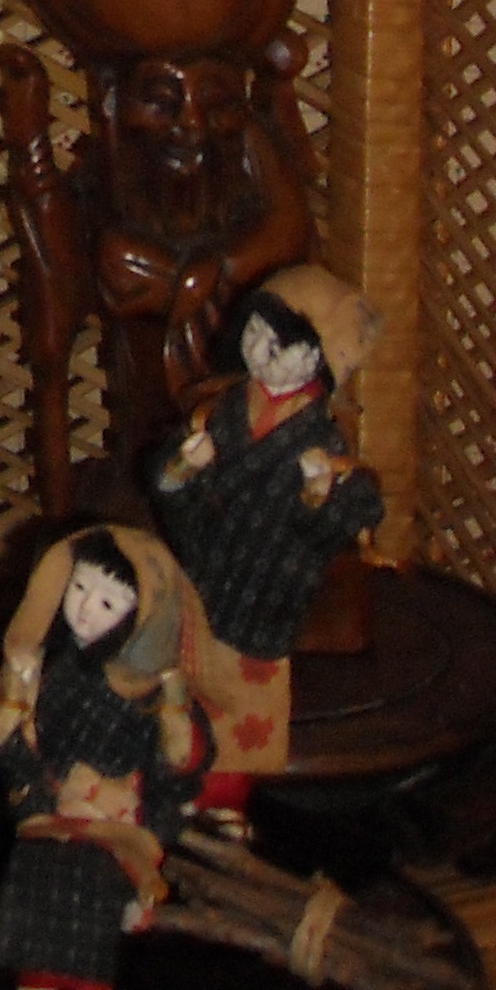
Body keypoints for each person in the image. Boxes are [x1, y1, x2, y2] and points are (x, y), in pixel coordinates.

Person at [149, 263, 384, 809]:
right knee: (181, 698)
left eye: (281, 344)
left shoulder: (321, 441)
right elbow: (170, 486)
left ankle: (224, 800)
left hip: (262, 596)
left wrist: (317, 496)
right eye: (254, 332)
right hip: (200, 578)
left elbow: (338, 527)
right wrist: (183, 468)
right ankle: (172, 781)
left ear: (319, 358)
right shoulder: (223, 411)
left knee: (241, 719)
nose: (261, 351)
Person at [0, 525, 211, 990]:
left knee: (90, 879)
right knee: (31, 866)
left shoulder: (152, 686)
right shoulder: (48, 668)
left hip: (117, 816)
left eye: (106, 602)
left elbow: (182, 761)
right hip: (53, 802)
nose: (83, 610)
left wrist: (173, 723)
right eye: (77, 589)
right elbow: (0, 743)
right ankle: (35, 979)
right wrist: (14, 701)